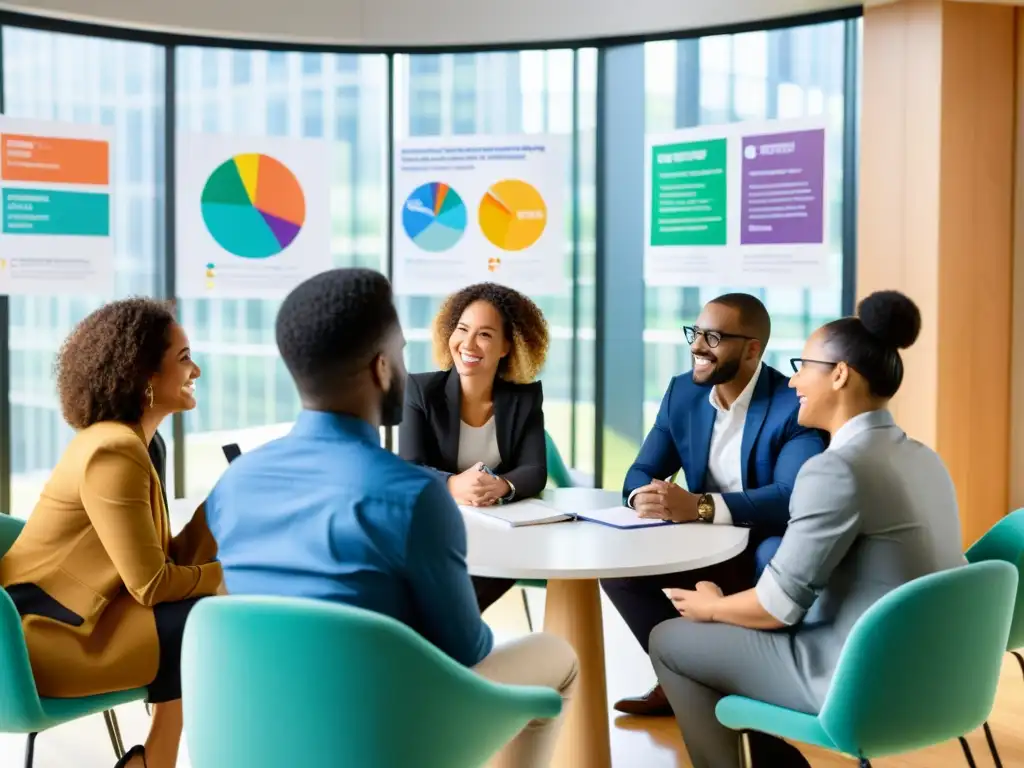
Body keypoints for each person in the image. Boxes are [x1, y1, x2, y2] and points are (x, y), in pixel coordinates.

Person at [203, 269, 577, 767]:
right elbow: (466, 649)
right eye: (401, 351)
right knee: (560, 658)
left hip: (261, 732)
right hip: (387, 734)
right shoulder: (414, 498)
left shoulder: (233, 484)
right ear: (382, 369)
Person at [649, 291, 966, 767]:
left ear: (839, 375)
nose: (793, 379)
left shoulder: (835, 470)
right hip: (944, 679)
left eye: (805, 364)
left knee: (670, 640)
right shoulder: (925, 458)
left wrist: (711, 607)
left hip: (851, 678)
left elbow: (776, 607)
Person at [0, 298, 220, 768]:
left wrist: (224, 506)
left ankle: (156, 758)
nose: (195, 369)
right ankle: (159, 759)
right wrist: (222, 577)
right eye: (183, 358)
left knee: (201, 617)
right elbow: (153, 584)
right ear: (145, 377)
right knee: (209, 622)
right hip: (40, 640)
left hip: (81, 621)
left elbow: (164, 562)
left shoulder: (137, 444)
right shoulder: (113, 453)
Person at [603, 293, 826, 716]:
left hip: (764, 544)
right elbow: (641, 469)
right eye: (695, 332)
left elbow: (790, 497)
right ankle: (679, 676)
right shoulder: (682, 393)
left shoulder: (789, 405)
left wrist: (700, 506)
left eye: (713, 337)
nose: (697, 346)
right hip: (701, 544)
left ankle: (755, 684)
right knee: (621, 572)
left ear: (752, 349)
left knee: (772, 553)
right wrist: (642, 496)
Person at [400, 282, 550, 613]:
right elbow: (408, 467)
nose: (468, 343)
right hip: (436, 528)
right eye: (462, 329)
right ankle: (444, 637)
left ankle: (444, 638)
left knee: (507, 561)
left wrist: (501, 485)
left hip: (496, 531)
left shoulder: (523, 399)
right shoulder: (420, 390)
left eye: (484, 334)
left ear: (506, 346)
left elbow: (534, 470)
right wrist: (452, 484)